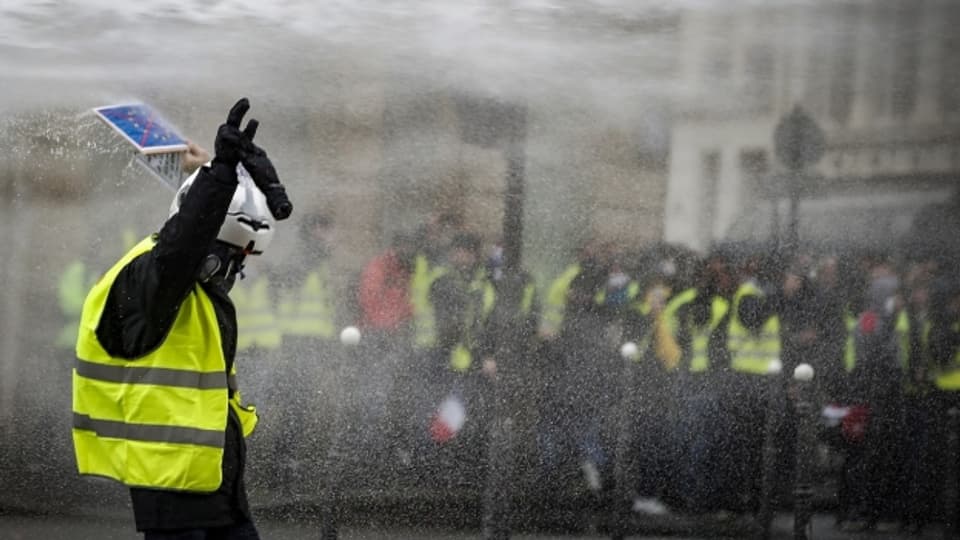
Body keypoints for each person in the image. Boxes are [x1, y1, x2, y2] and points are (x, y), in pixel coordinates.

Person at [71, 98, 290, 539]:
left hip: (215, 486)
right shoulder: (151, 278)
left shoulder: (189, 290)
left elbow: (192, 228)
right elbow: (183, 242)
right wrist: (219, 172)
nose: (233, 273)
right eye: (231, 259)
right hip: (173, 493)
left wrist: (207, 173)